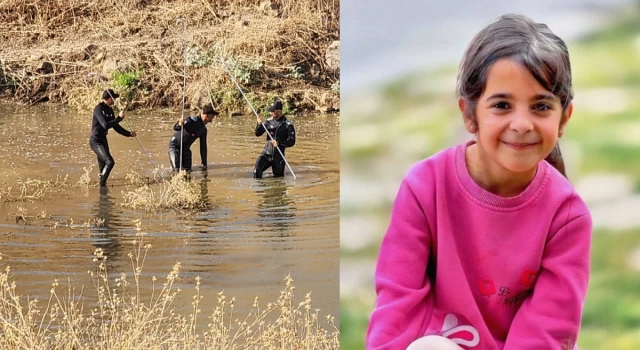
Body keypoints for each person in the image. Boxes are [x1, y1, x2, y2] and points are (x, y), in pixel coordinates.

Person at [367, 14, 592, 350]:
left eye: (541, 106)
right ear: (470, 114)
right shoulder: (425, 187)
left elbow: (548, 331)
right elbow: (397, 309)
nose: (521, 123)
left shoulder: (567, 217)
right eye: (501, 105)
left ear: (564, 118)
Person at [90, 89, 136, 188]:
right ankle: (101, 186)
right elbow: (105, 125)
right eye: (114, 98)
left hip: (103, 140)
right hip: (96, 141)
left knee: (103, 168)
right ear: (110, 99)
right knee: (110, 162)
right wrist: (119, 118)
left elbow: (116, 127)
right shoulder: (98, 109)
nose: (115, 100)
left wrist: (129, 134)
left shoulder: (110, 110)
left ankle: (102, 187)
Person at [168, 104, 218, 172]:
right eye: (212, 115)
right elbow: (176, 128)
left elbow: (203, 147)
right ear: (207, 115)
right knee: (176, 171)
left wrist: (204, 164)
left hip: (186, 150)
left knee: (187, 172)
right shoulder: (191, 121)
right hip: (175, 146)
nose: (213, 117)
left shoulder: (203, 130)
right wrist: (179, 124)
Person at [253, 101, 296, 178]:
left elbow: (291, 142)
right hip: (266, 154)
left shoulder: (287, 124)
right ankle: (260, 189)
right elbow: (258, 134)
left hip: (278, 157)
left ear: (279, 111)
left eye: (273, 111)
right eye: (270, 111)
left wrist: (279, 143)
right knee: (257, 170)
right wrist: (259, 125)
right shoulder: (268, 122)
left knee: (278, 180)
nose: (271, 113)